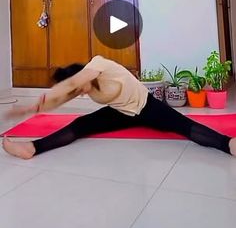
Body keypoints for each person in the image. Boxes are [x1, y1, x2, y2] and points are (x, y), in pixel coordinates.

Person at [2, 55, 236, 159]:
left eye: (77, 86)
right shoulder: (84, 86)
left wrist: (68, 87)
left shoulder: (98, 64)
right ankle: (32, 148)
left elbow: (72, 84)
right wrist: (28, 109)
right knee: (82, 124)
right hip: (121, 112)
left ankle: (228, 145)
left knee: (185, 126)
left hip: (146, 106)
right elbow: (59, 98)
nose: (80, 92)